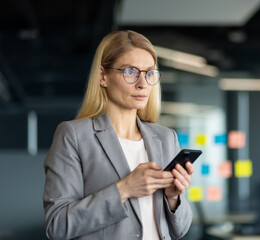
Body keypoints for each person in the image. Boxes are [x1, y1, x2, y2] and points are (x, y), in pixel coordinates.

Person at [43, 30, 194, 240]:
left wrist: (173, 198)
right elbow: (57, 225)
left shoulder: (167, 138)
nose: (143, 83)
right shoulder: (74, 136)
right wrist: (124, 189)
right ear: (103, 76)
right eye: (131, 72)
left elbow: (181, 229)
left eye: (149, 73)